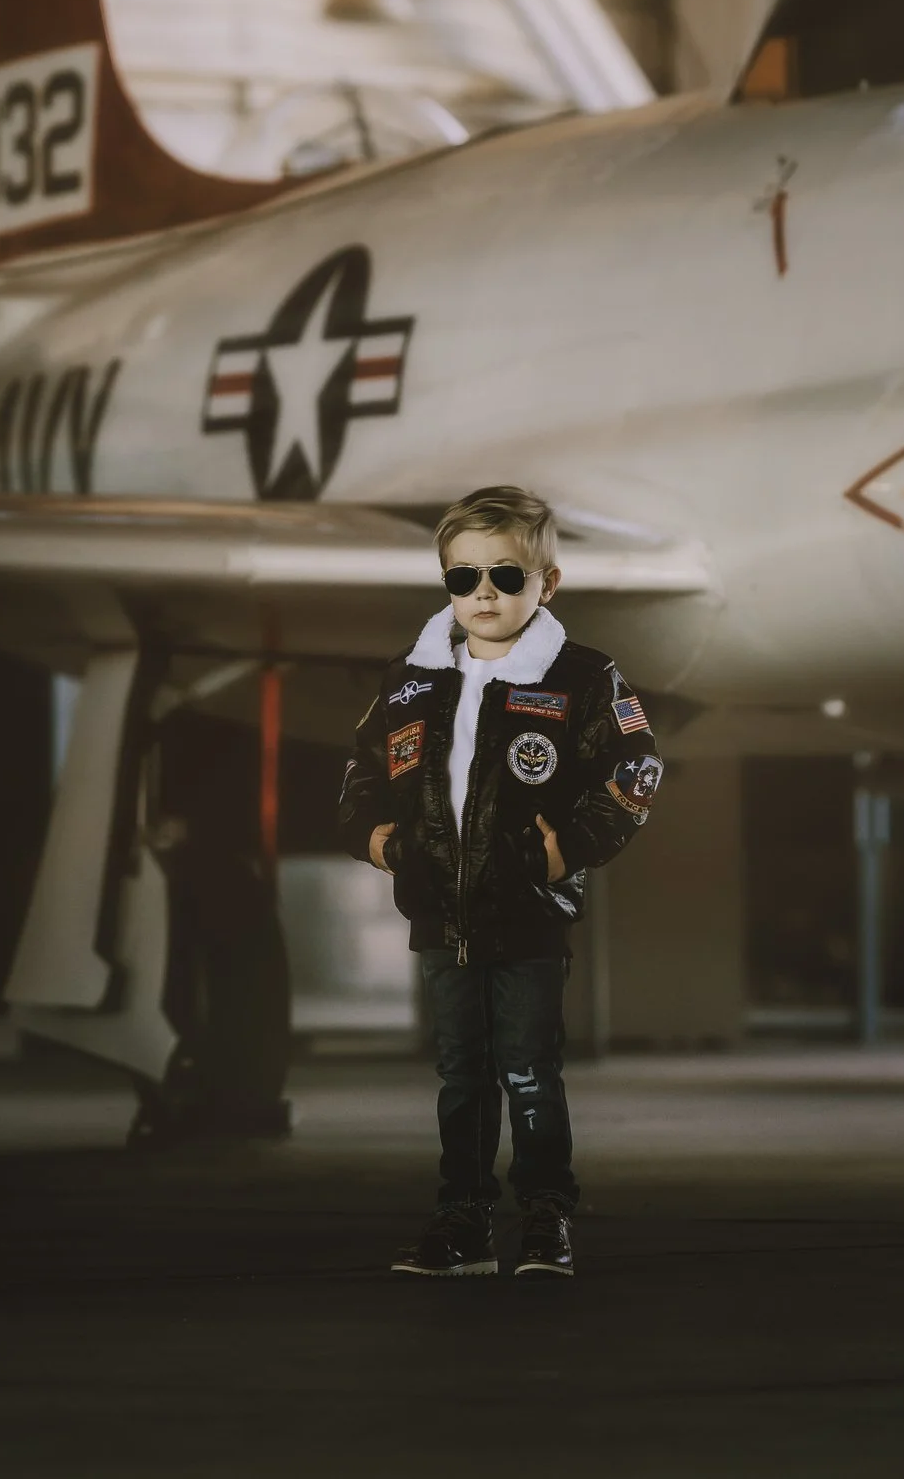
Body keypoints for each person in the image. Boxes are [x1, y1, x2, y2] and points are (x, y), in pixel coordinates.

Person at [335, 484, 663, 1277]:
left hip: (530, 915)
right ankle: (465, 1221)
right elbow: (361, 772)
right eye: (464, 578)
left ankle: (547, 1218)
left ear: (546, 582)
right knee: (462, 1077)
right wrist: (377, 842)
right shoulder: (409, 682)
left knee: (529, 1072)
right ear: (445, 580)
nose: (484, 594)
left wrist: (568, 850)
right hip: (440, 917)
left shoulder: (583, 679)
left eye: (507, 577)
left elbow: (638, 765)